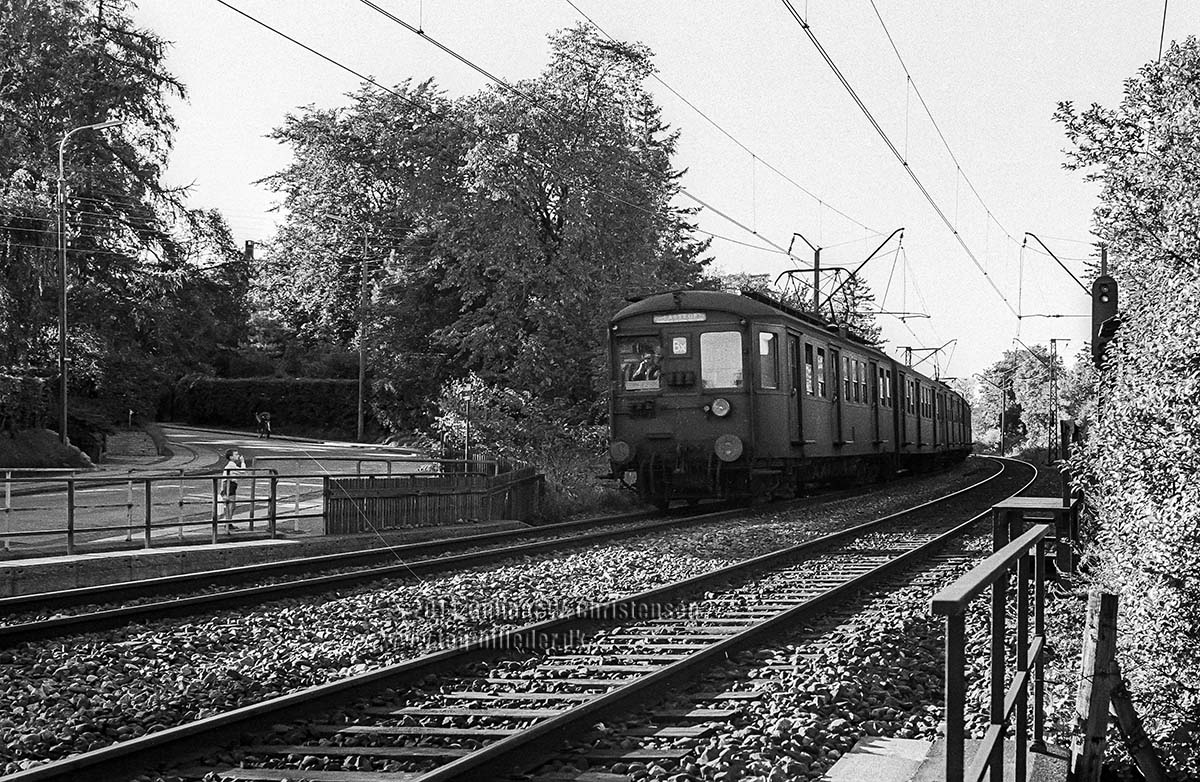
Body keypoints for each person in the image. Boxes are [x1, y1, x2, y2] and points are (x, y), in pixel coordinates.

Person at [220, 448, 247, 533]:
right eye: (236, 454)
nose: (238, 456)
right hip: (229, 485)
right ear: (231, 457)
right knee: (231, 505)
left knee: (231, 505)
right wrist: (242, 462)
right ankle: (228, 523)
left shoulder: (232, 465)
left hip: (230, 485)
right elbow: (243, 471)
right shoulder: (231, 465)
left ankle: (228, 522)